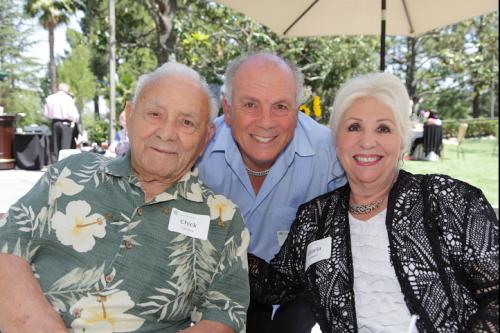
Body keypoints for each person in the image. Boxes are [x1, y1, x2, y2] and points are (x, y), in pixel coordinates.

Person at [0, 62, 250, 333]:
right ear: (129, 116)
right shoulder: (70, 173)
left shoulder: (222, 220)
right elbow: (7, 249)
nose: (166, 134)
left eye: (187, 122)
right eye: (154, 114)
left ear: (206, 137)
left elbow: (223, 318)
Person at [247, 72, 499, 332]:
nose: (367, 142)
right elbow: (276, 285)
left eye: (383, 128)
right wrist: (219, 240)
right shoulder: (316, 217)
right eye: (354, 127)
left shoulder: (448, 201)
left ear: (402, 141)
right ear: (337, 141)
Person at [197, 52, 345, 333]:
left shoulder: (331, 156)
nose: (266, 122)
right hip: (209, 300)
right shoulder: (197, 150)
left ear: (297, 109)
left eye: (280, 106)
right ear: (227, 109)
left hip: (294, 306)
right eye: (251, 104)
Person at [44, 83, 80, 160]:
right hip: (66, 124)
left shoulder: (50, 98)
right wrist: (74, 120)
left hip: (55, 123)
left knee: (55, 146)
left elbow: (46, 114)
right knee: (65, 147)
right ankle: (64, 165)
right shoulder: (68, 98)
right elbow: (73, 114)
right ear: (66, 90)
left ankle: (54, 164)